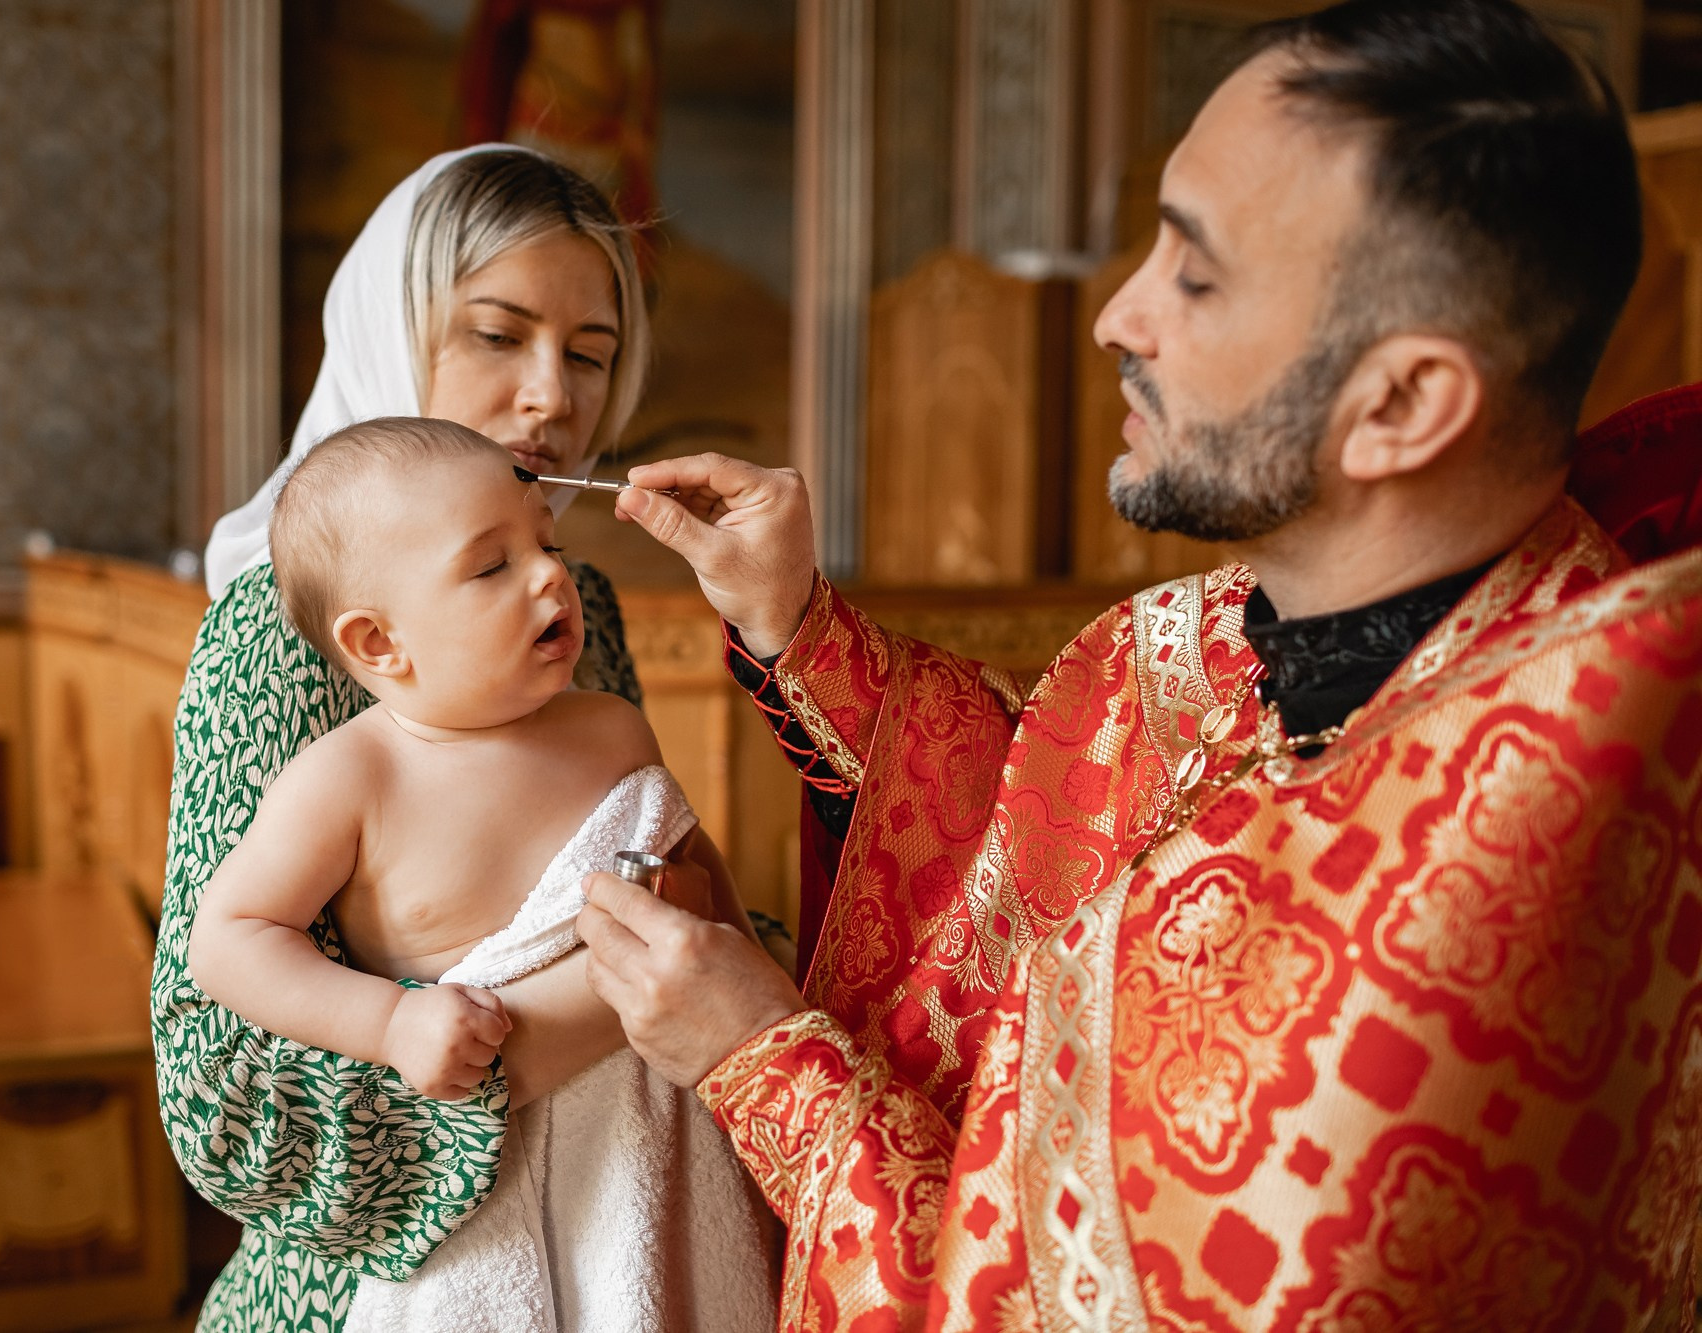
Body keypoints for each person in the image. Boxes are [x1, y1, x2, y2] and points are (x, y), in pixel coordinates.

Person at [576, 1, 1702, 1327]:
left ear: (1402, 403)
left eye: (1195, 276)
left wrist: (757, 1056)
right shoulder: (1206, 631)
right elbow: (1033, 836)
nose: (1115, 314)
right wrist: (795, 626)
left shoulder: (1473, 903)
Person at [152, 145, 673, 1331]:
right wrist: (609, 1008)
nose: (550, 396)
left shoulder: (581, 602)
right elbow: (224, 1098)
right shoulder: (275, 632)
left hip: (616, 1226)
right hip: (373, 1287)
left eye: (589, 353)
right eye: (497, 335)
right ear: (390, 333)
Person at [186, 417, 777, 1332]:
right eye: (492, 565)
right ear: (378, 642)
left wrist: (763, 1006)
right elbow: (228, 940)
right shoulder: (353, 778)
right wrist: (389, 1022)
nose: (549, 576)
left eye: (548, 543)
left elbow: (701, 887)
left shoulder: (611, 729)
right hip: (488, 1190)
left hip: (652, 1137)